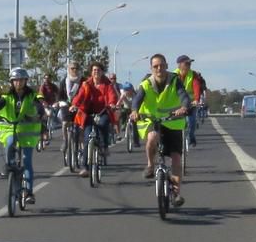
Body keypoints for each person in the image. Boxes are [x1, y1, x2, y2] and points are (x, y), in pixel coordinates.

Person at [132, 53, 192, 206]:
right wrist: (134, 111)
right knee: (152, 137)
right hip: (152, 120)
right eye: (155, 66)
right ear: (151, 68)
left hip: (173, 121)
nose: (159, 69)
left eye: (162, 65)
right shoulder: (146, 83)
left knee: (177, 158)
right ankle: (150, 165)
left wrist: (184, 107)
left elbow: (183, 95)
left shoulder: (174, 80)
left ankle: (177, 194)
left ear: (166, 66)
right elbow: (137, 99)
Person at [0, 68, 47, 203]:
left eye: (21, 80)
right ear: (11, 82)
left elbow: (38, 105)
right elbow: (0, 104)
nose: (18, 83)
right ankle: (9, 165)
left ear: (25, 81)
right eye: (15, 80)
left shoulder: (31, 95)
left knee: (27, 161)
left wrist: (40, 114)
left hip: (27, 130)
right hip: (10, 127)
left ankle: (29, 192)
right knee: (9, 143)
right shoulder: (7, 95)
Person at [70, 60, 120, 175]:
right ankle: (85, 168)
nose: (96, 72)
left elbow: (112, 95)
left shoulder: (107, 84)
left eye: (98, 70)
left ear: (102, 72)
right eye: (94, 70)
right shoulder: (86, 84)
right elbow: (80, 95)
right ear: (91, 72)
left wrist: (112, 104)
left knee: (103, 124)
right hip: (88, 113)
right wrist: (74, 105)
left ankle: (104, 146)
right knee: (87, 139)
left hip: (103, 111)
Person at [175, 55, 207, 146]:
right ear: (179, 65)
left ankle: (191, 137)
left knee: (191, 121)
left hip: (191, 102)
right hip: (177, 103)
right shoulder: (173, 75)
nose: (189, 65)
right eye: (186, 63)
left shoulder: (193, 75)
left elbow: (196, 87)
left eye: (190, 63)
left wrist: (196, 100)